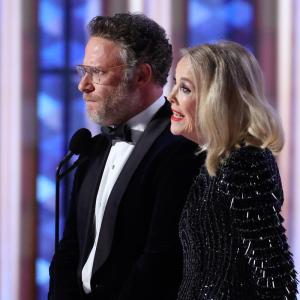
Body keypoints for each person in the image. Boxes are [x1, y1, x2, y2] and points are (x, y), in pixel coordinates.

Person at [48, 13, 203, 300]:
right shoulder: (93, 146)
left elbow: (161, 264)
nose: (83, 85)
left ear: (142, 75)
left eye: (97, 72)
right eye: (83, 71)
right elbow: (69, 247)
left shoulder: (183, 145)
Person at [168, 41, 298, 299]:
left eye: (185, 88)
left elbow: (274, 273)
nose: (170, 95)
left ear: (216, 99)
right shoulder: (217, 163)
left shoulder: (244, 162)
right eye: (175, 83)